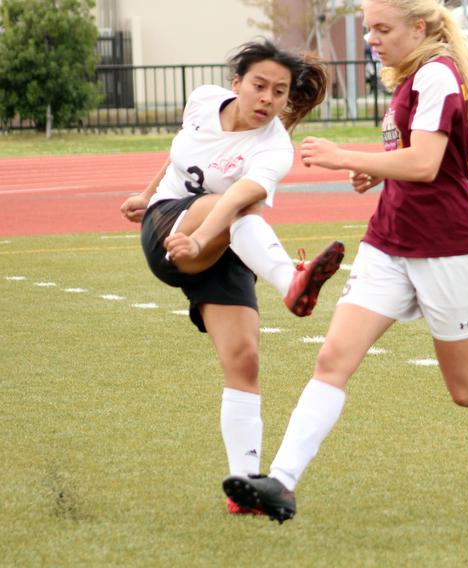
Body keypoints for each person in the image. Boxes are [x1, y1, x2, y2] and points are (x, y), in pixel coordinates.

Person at [222, 0, 468, 524]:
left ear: (419, 27)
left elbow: (428, 164)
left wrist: (348, 157)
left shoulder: (438, 76)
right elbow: (412, 159)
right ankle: (281, 482)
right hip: (388, 241)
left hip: (450, 247)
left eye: (382, 28)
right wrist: (378, 172)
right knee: (332, 360)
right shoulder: (409, 79)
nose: (371, 38)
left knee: (466, 388)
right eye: (368, 28)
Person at [118, 40, 345, 515]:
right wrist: (147, 193)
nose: (267, 98)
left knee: (244, 360)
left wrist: (204, 242)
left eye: (279, 92)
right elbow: (182, 149)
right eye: (259, 85)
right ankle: (291, 283)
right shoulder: (203, 99)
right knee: (240, 215)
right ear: (236, 82)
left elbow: (237, 197)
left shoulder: (274, 148)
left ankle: (243, 487)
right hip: (170, 226)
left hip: (223, 243)